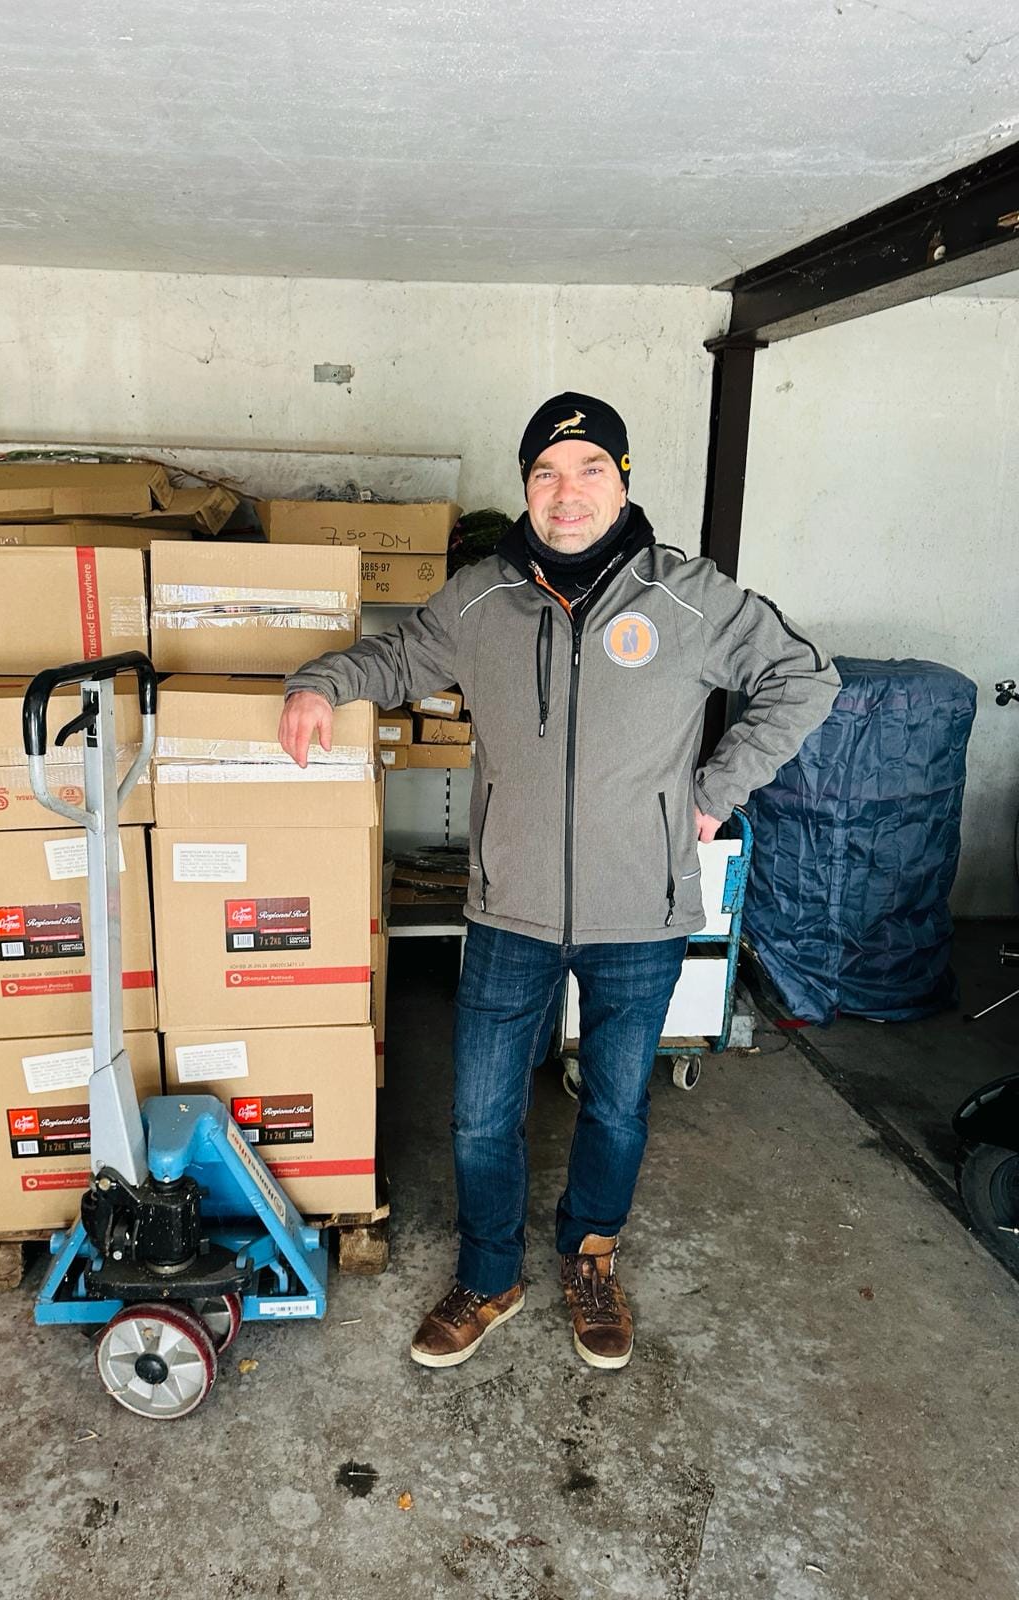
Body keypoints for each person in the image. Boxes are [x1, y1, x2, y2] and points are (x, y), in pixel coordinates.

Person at [279, 392, 840, 1372]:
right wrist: (319, 681)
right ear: (526, 488)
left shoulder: (687, 596)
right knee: (480, 1114)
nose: (566, 492)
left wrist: (714, 791)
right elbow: (398, 657)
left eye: (589, 470)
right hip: (512, 907)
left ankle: (591, 1259)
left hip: (641, 909)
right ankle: (488, 1274)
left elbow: (805, 676)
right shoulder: (481, 598)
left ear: (622, 482)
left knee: (616, 1108)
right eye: (545, 472)